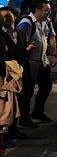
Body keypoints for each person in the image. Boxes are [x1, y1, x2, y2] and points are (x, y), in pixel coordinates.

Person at [16, 0, 57, 125]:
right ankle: (24, 118)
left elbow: (51, 37)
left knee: (46, 86)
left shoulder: (47, 22)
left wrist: (53, 54)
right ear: (37, 10)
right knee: (27, 91)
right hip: (30, 62)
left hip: (42, 61)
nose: (48, 14)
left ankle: (38, 111)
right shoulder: (26, 23)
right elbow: (20, 43)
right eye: (46, 11)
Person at [0, 8, 30, 142]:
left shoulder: (21, 33)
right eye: (3, 16)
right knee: (6, 106)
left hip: (19, 72)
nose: (6, 19)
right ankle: (5, 136)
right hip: (6, 75)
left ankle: (14, 130)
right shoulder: (1, 36)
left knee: (18, 102)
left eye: (8, 16)